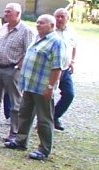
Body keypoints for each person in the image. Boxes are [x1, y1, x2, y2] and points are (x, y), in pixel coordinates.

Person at [4, 14, 63, 160]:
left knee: (44, 119)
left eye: (42, 23)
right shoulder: (37, 39)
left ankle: (43, 149)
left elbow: (57, 68)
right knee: (24, 114)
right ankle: (20, 141)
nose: (38, 25)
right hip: (29, 85)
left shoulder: (56, 42)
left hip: (42, 88)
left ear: (51, 26)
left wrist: (50, 87)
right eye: (37, 23)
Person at [0, 3, 34, 140]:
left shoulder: (26, 31)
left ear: (17, 14)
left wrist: (18, 67)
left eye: (9, 12)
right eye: (5, 11)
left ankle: (14, 133)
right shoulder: (2, 28)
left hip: (12, 69)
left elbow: (29, 52)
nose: (5, 14)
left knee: (15, 102)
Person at [52, 8, 77, 131]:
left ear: (67, 19)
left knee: (69, 94)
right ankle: (43, 121)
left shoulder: (71, 32)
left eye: (62, 17)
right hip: (51, 69)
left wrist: (72, 61)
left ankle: (54, 116)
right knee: (47, 95)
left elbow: (74, 47)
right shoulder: (50, 31)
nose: (60, 19)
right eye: (57, 16)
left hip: (65, 69)